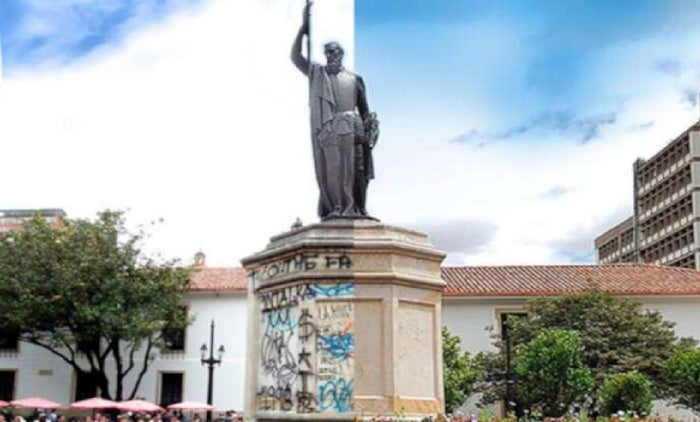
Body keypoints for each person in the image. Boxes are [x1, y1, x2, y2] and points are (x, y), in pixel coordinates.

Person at [291, 3, 379, 221]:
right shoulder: (317, 74)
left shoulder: (354, 79)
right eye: (327, 52)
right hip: (330, 129)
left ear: (341, 54)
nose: (330, 55)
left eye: (334, 52)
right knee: (333, 171)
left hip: (354, 128)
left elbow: (365, 110)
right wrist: (303, 29)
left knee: (358, 171)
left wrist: (370, 129)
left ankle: (359, 208)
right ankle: (337, 207)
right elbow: (295, 57)